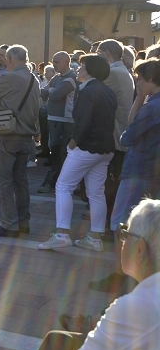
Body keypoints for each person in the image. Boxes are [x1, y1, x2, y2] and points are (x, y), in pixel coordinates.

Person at [22, 199, 160, 350]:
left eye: (125, 234)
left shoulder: (138, 307)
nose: (121, 242)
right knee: (57, 341)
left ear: (140, 250)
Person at [90, 58, 160, 294]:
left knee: (122, 222)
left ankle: (122, 276)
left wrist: (141, 101)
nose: (137, 83)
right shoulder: (153, 103)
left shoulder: (152, 107)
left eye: (140, 79)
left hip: (138, 168)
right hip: (152, 170)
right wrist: (141, 97)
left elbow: (126, 136)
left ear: (151, 79)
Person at [38, 55, 117, 252]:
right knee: (96, 192)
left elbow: (82, 120)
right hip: (105, 148)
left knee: (63, 186)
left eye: (82, 66)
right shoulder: (108, 91)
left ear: (89, 70)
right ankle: (95, 237)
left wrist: (73, 142)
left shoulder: (88, 90)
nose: (79, 68)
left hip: (86, 147)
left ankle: (61, 234)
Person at [0, 45, 41, 237]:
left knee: (3, 181)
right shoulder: (34, 79)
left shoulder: (9, 77)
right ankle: (24, 222)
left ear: (10, 59)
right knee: (21, 181)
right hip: (26, 136)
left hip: (7, 134)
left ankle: (9, 224)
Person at [98, 39, 136, 234]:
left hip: (114, 135)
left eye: (98, 53)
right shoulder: (123, 71)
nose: (96, 57)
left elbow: (93, 92)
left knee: (110, 184)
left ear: (106, 53)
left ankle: (107, 226)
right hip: (119, 134)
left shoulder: (113, 72)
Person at [37, 52, 77, 194]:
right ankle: (57, 182)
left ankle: (53, 182)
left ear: (66, 62)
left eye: (57, 62)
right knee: (55, 151)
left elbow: (55, 95)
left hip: (64, 121)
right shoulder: (57, 77)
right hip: (53, 119)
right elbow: (42, 92)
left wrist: (51, 90)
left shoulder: (71, 78)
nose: (54, 64)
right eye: (53, 62)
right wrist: (50, 90)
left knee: (60, 153)